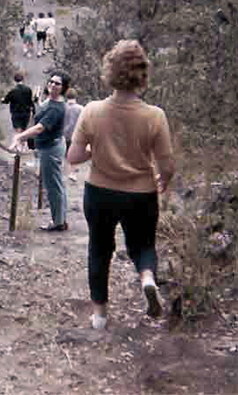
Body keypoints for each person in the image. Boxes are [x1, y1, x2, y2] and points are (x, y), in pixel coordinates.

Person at [67, 40, 175, 330]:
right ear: (142, 74)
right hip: (140, 193)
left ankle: (100, 315)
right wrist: (163, 180)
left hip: (100, 192)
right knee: (142, 245)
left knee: (100, 248)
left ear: (110, 72)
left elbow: (74, 156)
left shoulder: (92, 110)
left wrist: (96, 150)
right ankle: (147, 279)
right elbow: (167, 165)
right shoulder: (155, 115)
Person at [11, 73, 69, 231]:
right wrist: (38, 102)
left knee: (53, 186)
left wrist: (20, 137)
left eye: (57, 83)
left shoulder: (57, 108)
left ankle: (58, 222)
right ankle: (60, 219)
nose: (52, 84)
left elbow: (39, 128)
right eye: (51, 81)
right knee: (56, 184)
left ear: (63, 88)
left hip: (51, 149)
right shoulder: (50, 102)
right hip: (48, 147)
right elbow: (42, 110)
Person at [1, 73, 35, 151]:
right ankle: (22, 147)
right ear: (23, 80)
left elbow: (6, 101)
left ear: (14, 81)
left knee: (17, 130)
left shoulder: (13, 91)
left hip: (16, 113)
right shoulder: (28, 89)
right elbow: (30, 101)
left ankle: (18, 149)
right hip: (26, 113)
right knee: (23, 130)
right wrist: (33, 110)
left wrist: (2, 100)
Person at [63, 88, 84, 182]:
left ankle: (67, 171)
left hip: (64, 134)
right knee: (74, 154)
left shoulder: (62, 107)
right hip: (76, 134)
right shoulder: (81, 108)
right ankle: (73, 172)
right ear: (76, 96)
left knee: (65, 153)